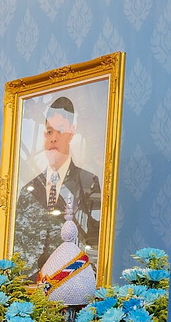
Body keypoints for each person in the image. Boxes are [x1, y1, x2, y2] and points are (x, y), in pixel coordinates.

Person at [11, 95, 102, 273]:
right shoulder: (28, 190)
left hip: (71, 281)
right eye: (49, 131)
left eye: (60, 131)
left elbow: (94, 242)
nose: (53, 138)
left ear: (71, 133)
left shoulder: (88, 183)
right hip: (29, 286)